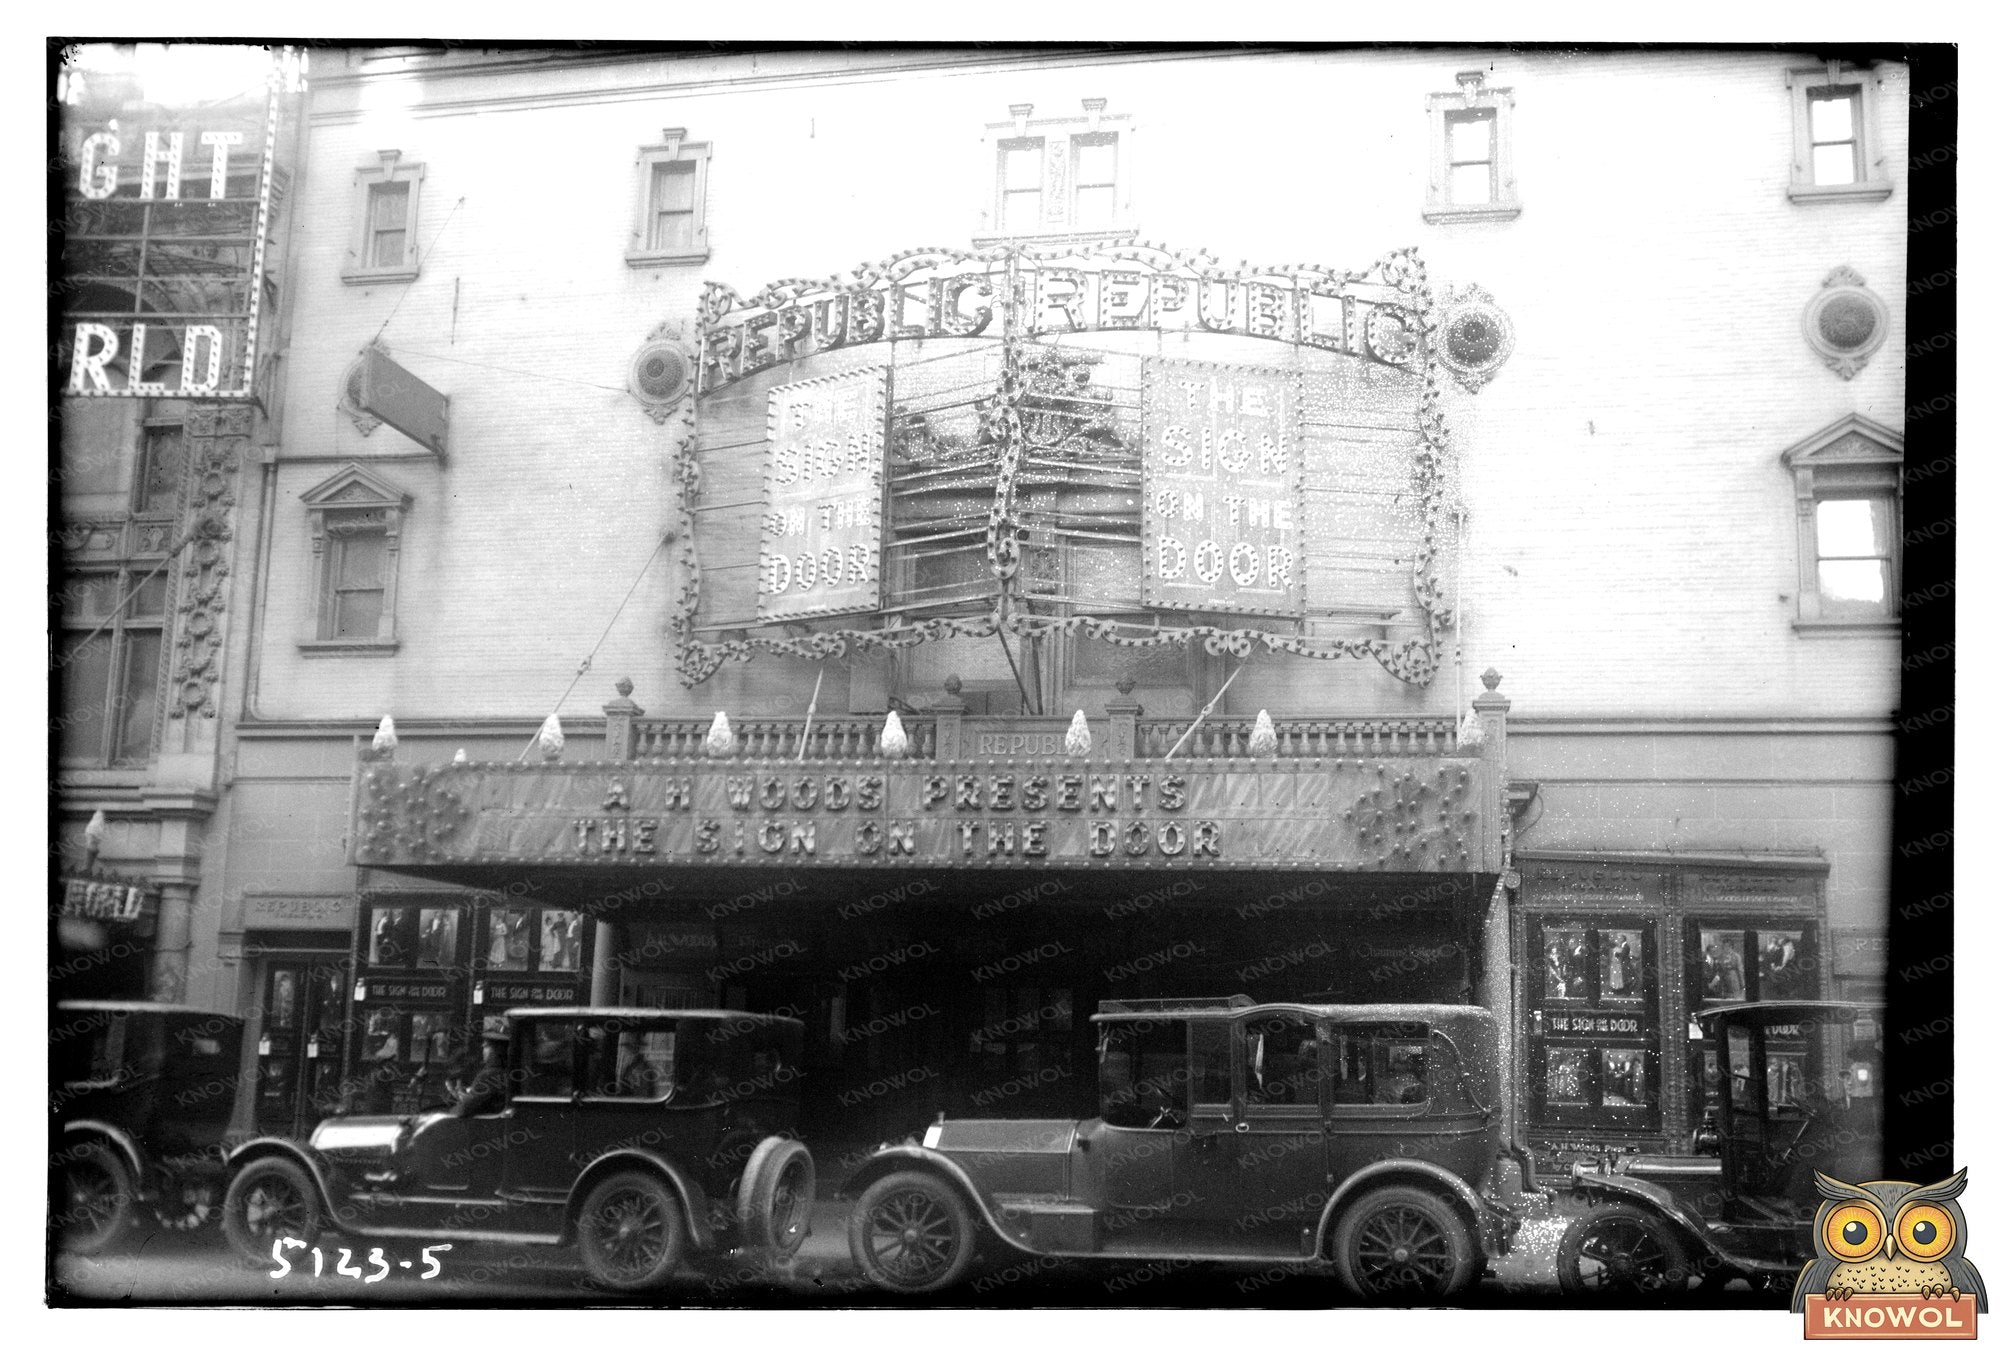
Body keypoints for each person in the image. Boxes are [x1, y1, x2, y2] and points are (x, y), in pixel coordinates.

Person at [452, 1035, 509, 1116]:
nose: (483, 1050)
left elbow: (463, 1110)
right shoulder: (505, 1072)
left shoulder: (489, 1075)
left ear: (496, 1050)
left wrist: (458, 1105)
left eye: (486, 1046)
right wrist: (466, 1096)